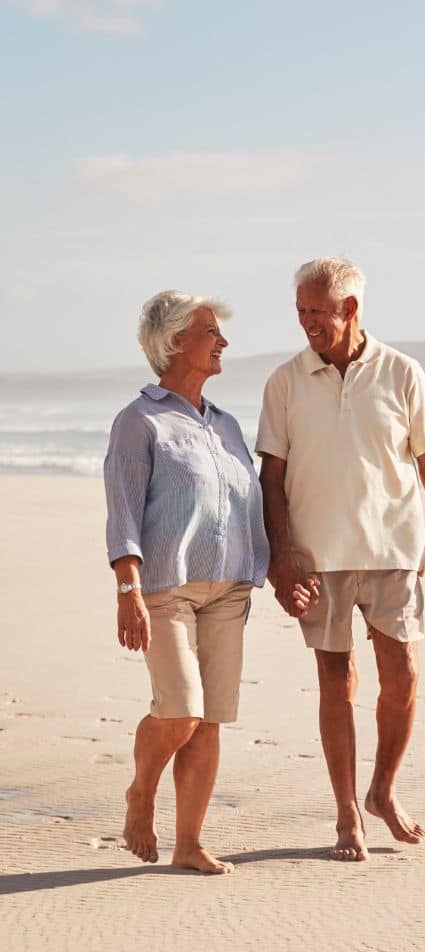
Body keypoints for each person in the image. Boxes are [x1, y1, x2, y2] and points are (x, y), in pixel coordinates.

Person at [257, 256, 425, 862]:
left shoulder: (403, 373)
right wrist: (282, 557)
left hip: (396, 552)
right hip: (318, 556)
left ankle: (383, 791)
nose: (306, 323)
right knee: (335, 681)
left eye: (316, 311)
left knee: (402, 678)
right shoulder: (286, 381)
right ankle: (348, 812)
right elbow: (272, 477)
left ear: (350, 308)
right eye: (299, 311)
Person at [104, 291, 296, 874]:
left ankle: (188, 845)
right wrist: (127, 590)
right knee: (180, 712)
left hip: (230, 590)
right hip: (166, 589)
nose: (223, 341)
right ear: (175, 342)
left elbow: (253, 502)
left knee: (209, 720)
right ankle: (141, 793)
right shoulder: (139, 421)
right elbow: (123, 514)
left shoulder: (228, 425)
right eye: (211, 331)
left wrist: (281, 568)